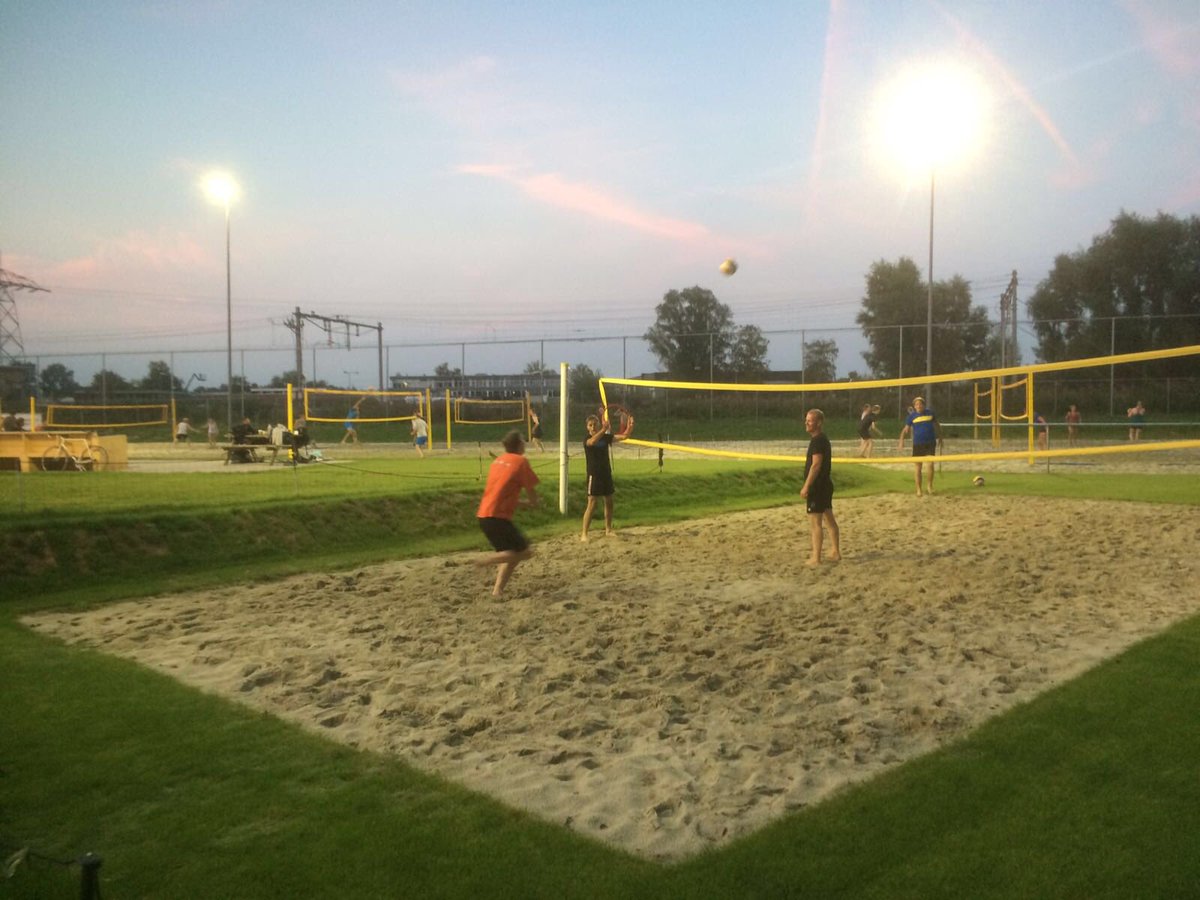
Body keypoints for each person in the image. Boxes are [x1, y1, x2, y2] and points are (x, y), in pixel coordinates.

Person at [475, 430, 540, 597]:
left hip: (484, 515)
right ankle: (485, 561)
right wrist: (533, 503)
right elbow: (531, 491)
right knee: (524, 552)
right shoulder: (520, 461)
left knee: (512, 554)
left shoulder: (498, 460)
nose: (525, 444)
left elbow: (500, 494)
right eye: (523, 442)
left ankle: (497, 590)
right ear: (518, 445)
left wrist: (522, 503)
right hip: (497, 518)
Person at [581, 410, 633, 541]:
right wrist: (604, 429)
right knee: (592, 503)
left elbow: (624, 436)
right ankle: (584, 534)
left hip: (606, 473)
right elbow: (592, 442)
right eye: (590, 425)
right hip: (594, 474)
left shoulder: (605, 437)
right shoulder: (587, 439)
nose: (593, 427)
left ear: (598, 424)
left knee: (609, 501)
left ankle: (608, 529)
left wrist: (630, 426)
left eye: (595, 424)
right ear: (587, 427)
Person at [800, 408, 841, 567]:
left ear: (818, 423)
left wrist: (806, 486)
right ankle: (835, 551)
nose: (806, 423)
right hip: (825, 484)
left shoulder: (818, 440)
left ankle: (816, 558)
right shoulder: (822, 439)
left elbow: (816, 466)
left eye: (810, 421)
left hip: (817, 486)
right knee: (829, 519)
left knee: (816, 523)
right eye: (806, 420)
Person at [897, 396, 943, 496]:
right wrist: (901, 441)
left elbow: (937, 425)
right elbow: (905, 430)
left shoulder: (930, 413)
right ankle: (919, 490)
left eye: (920, 404)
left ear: (923, 405)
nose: (918, 406)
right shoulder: (911, 416)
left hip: (930, 443)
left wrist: (940, 437)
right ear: (914, 406)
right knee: (918, 467)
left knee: (930, 465)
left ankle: (930, 487)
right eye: (916, 404)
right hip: (918, 444)